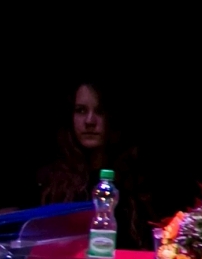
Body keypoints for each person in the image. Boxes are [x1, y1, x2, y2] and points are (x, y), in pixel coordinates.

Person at [36, 80, 149, 248]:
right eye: (81, 110)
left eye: (100, 111)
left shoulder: (133, 182)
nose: (90, 121)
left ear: (113, 117)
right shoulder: (50, 181)